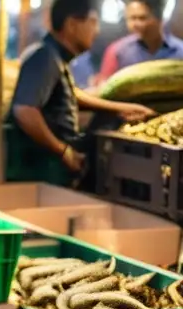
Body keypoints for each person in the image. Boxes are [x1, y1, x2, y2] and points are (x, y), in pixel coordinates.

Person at [12, 0, 155, 177]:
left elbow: (69, 94)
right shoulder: (44, 58)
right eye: (93, 22)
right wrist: (63, 151)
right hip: (47, 172)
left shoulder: (55, 57)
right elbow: (24, 110)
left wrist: (120, 108)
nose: (97, 31)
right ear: (72, 25)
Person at [98, 0, 183, 82]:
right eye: (131, 19)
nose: (134, 24)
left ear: (159, 19)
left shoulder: (180, 51)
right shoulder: (117, 51)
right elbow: (104, 87)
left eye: (142, 18)